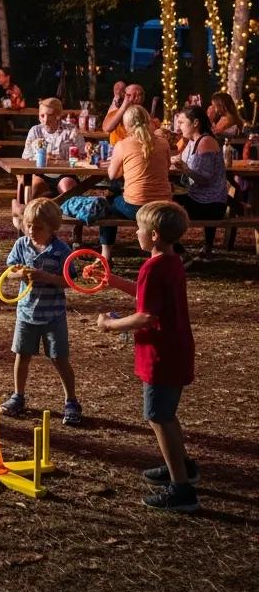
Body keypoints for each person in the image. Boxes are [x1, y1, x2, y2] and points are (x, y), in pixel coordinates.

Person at [96, 201, 198, 512]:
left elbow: (145, 316)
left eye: (139, 229)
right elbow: (146, 296)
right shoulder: (171, 261)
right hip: (176, 349)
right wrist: (110, 280)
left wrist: (109, 325)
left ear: (152, 235)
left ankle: (181, 490)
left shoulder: (153, 268)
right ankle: (181, 466)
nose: (136, 233)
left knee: (158, 416)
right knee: (166, 414)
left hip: (161, 355)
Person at [0, 199, 83, 426]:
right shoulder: (21, 245)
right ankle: (18, 396)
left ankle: (71, 401)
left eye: (38, 227)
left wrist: (46, 278)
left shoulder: (61, 251)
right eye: (28, 226)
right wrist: (21, 275)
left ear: (52, 227)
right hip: (26, 313)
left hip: (53, 315)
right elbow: (10, 270)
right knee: (21, 356)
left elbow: (71, 281)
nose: (32, 231)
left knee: (59, 358)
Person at [100, 105, 172, 261]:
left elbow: (112, 175)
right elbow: (167, 167)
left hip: (136, 206)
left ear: (126, 125)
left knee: (109, 204)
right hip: (163, 205)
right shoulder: (163, 143)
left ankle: (105, 254)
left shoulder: (122, 145)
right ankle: (169, 251)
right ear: (148, 121)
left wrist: (126, 169)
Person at [170, 106, 227, 264]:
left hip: (210, 204)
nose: (179, 126)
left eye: (182, 122)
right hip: (201, 198)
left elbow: (204, 179)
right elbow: (187, 173)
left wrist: (185, 169)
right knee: (167, 197)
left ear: (195, 123)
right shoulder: (192, 142)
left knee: (164, 208)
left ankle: (180, 253)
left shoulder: (206, 142)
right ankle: (201, 249)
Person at [20, 97, 86, 200]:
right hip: (41, 174)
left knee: (67, 187)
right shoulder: (35, 131)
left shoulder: (71, 130)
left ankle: (69, 211)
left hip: (66, 174)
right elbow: (25, 157)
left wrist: (66, 159)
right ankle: (28, 212)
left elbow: (83, 155)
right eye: (42, 116)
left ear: (58, 115)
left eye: (50, 115)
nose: (45, 120)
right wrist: (40, 157)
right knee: (35, 187)